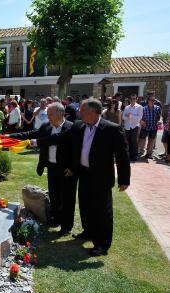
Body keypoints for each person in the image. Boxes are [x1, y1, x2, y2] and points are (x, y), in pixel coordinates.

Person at [69, 98, 130, 256]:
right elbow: (71, 147)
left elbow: (122, 156)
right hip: (84, 173)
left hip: (101, 177)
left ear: (93, 112)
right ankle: (88, 231)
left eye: (82, 110)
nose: (79, 112)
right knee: (85, 205)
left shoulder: (112, 129)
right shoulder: (79, 126)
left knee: (102, 211)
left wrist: (124, 179)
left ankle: (102, 244)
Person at [8, 103, 76, 234]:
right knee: (54, 195)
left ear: (61, 113)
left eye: (51, 114)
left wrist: (72, 167)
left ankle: (66, 226)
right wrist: (11, 136)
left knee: (67, 198)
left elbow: (75, 150)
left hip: (66, 169)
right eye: (48, 114)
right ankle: (56, 218)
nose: (48, 116)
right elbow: (32, 133)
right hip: (51, 166)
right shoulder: (46, 126)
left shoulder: (71, 127)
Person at [122, 94, 143, 161]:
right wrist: (130, 116)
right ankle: (131, 155)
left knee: (134, 142)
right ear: (129, 99)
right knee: (129, 141)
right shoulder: (127, 107)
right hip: (127, 126)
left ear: (136, 99)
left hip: (134, 126)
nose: (132, 100)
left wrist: (130, 115)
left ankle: (134, 156)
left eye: (134, 98)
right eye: (131, 99)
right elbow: (123, 117)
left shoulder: (139, 107)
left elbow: (139, 117)